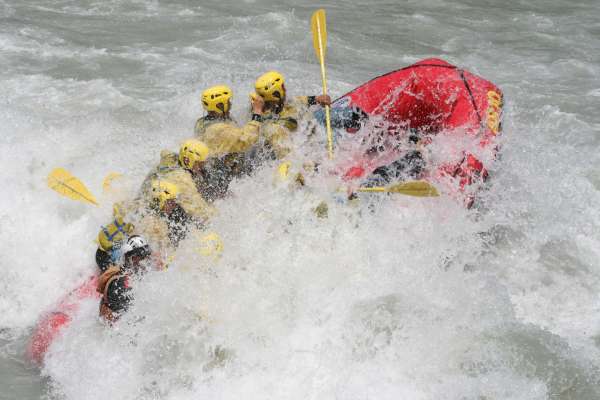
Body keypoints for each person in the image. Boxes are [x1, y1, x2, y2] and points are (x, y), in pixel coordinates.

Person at [252, 71, 331, 159]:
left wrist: (317, 99)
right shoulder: (273, 129)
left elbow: (295, 101)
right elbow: (288, 157)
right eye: (282, 87)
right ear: (275, 94)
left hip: (299, 136)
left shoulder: (273, 104)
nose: (285, 89)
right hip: (281, 156)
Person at [194, 85, 265, 178]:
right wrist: (257, 112)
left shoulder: (202, 122)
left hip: (216, 169)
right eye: (227, 102)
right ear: (219, 105)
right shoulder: (218, 129)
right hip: (225, 177)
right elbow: (247, 139)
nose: (230, 105)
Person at [97, 235, 153, 323]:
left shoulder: (130, 274)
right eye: (142, 257)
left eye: (147, 256)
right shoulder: (121, 283)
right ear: (132, 259)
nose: (146, 261)